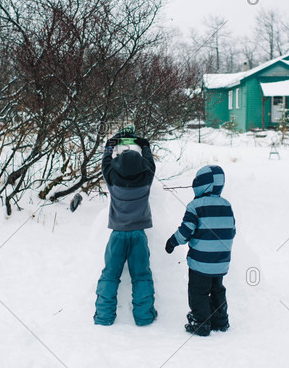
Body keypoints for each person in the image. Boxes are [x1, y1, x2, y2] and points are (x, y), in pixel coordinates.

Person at [93, 129, 158, 326]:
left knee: (110, 276)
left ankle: (104, 316)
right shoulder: (146, 178)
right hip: (138, 235)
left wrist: (110, 145)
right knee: (142, 276)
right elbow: (150, 163)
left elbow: (105, 163)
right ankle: (144, 316)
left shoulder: (112, 178)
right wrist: (144, 144)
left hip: (117, 235)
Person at [165, 165, 236, 336]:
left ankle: (201, 322)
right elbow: (232, 230)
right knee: (217, 289)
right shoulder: (227, 205)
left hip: (200, 263)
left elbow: (186, 230)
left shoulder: (195, 206)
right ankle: (221, 320)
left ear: (201, 184)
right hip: (220, 261)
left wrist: (172, 242)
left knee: (199, 292)